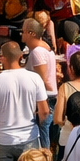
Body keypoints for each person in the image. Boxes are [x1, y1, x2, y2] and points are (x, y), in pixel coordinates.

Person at [22, 20, 59, 151]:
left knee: (44, 134)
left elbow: (41, 80)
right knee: (47, 133)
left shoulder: (37, 52)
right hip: (48, 96)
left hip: (45, 98)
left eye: (24, 31)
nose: (22, 34)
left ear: (31, 33)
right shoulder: (44, 48)